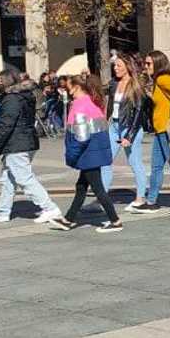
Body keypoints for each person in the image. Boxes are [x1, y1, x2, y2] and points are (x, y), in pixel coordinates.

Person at [52, 73, 121, 233]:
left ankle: (115, 220)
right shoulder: (92, 102)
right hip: (93, 152)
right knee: (81, 186)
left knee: (98, 189)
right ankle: (68, 220)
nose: (69, 92)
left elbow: (81, 138)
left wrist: (71, 155)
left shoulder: (79, 106)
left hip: (88, 154)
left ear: (77, 87)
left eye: (70, 89)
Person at [130, 51, 170, 215]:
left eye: (149, 64)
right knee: (157, 167)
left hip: (167, 129)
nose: (146, 67)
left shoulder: (163, 79)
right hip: (160, 130)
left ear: (158, 64)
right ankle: (152, 201)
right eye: (145, 63)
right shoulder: (157, 81)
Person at [0, 71, 61, 224]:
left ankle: (50, 208)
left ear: (5, 83)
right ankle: (3, 211)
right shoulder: (22, 96)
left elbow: (6, 125)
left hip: (17, 143)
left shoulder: (11, 100)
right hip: (26, 141)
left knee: (24, 177)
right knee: (9, 177)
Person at [101, 53, 148, 212]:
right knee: (105, 161)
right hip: (114, 126)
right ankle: (102, 198)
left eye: (119, 66)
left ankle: (140, 198)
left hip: (130, 127)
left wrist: (129, 136)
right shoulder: (114, 83)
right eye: (114, 65)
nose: (115, 68)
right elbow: (108, 103)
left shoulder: (136, 85)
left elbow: (139, 112)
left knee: (135, 163)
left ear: (128, 67)